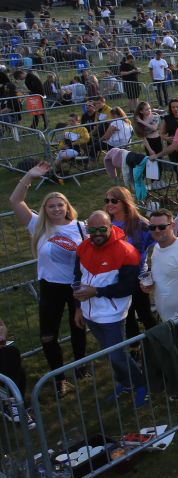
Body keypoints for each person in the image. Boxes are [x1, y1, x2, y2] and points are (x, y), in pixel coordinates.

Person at [9, 162, 87, 396]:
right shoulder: (38, 226)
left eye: (59, 205)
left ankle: (81, 367)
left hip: (76, 287)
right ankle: (59, 378)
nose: (55, 209)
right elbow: (15, 201)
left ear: (66, 207)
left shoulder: (81, 228)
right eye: (50, 206)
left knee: (78, 328)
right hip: (50, 287)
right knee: (48, 334)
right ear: (45, 209)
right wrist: (29, 177)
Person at [72, 210, 147, 407]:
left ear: (110, 227)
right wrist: (79, 307)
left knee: (117, 355)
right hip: (89, 313)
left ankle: (140, 385)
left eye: (101, 229)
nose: (97, 233)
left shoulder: (127, 252)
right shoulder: (83, 247)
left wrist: (96, 292)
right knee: (109, 353)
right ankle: (125, 382)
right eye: (92, 229)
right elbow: (77, 279)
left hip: (113, 315)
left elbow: (130, 287)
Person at [104, 186, 157, 341]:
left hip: (137, 277)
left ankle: (159, 344)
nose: (109, 204)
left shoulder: (140, 224)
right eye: (107, 200)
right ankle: (135, 348)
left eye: (114, 200)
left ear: (124, 202)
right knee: (127, 316)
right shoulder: (107, 224)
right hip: (116, 277)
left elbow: (160, 242)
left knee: (145, 314)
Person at [141, 209, 178, 322]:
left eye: (162, 227)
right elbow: (163, 276)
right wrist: (150, 284)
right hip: (166, 320)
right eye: (153, 227)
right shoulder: (157, 248)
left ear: (173, 225)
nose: (157, 230)